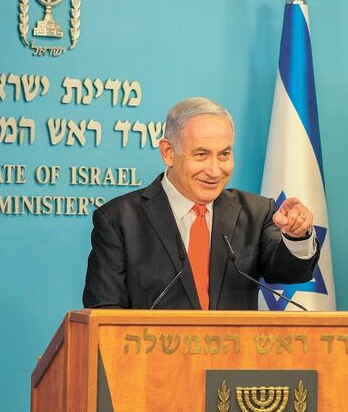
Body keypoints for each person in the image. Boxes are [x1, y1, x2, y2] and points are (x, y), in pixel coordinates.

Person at [82, 97, 319, 309]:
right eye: (201, 155)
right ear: (168, 152)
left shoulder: (256, 212)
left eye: (224, 154)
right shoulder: (119, 219)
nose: (214, 171)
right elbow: (104, 312)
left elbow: (290, 273)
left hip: (235, 347)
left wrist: (297, 236)